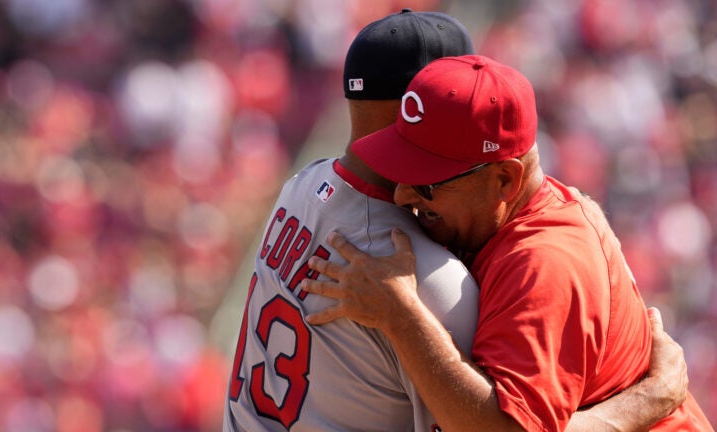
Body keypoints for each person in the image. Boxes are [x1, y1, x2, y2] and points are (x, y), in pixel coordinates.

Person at [224, 11, 690, 432]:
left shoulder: (536, 263)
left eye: (428, 182)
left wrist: (402, 315)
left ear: (505, 180)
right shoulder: (468, 228)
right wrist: (645, 401)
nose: (404, 194)